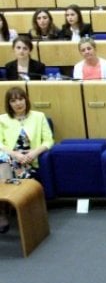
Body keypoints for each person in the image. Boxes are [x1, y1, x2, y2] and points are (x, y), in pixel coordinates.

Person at [0, 86, 54, 230]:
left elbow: (48, 141)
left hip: (30, 158)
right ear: (9, 104)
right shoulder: (2, 120)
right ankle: (6, 210)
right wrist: (15, 154)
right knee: (4, 161)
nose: (18, 103)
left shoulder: (38, 116)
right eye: (13, 101)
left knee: (5, 168)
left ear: (26, 100)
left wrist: (34, 153)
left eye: (20, 99)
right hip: (10, 156)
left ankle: (7, 209)